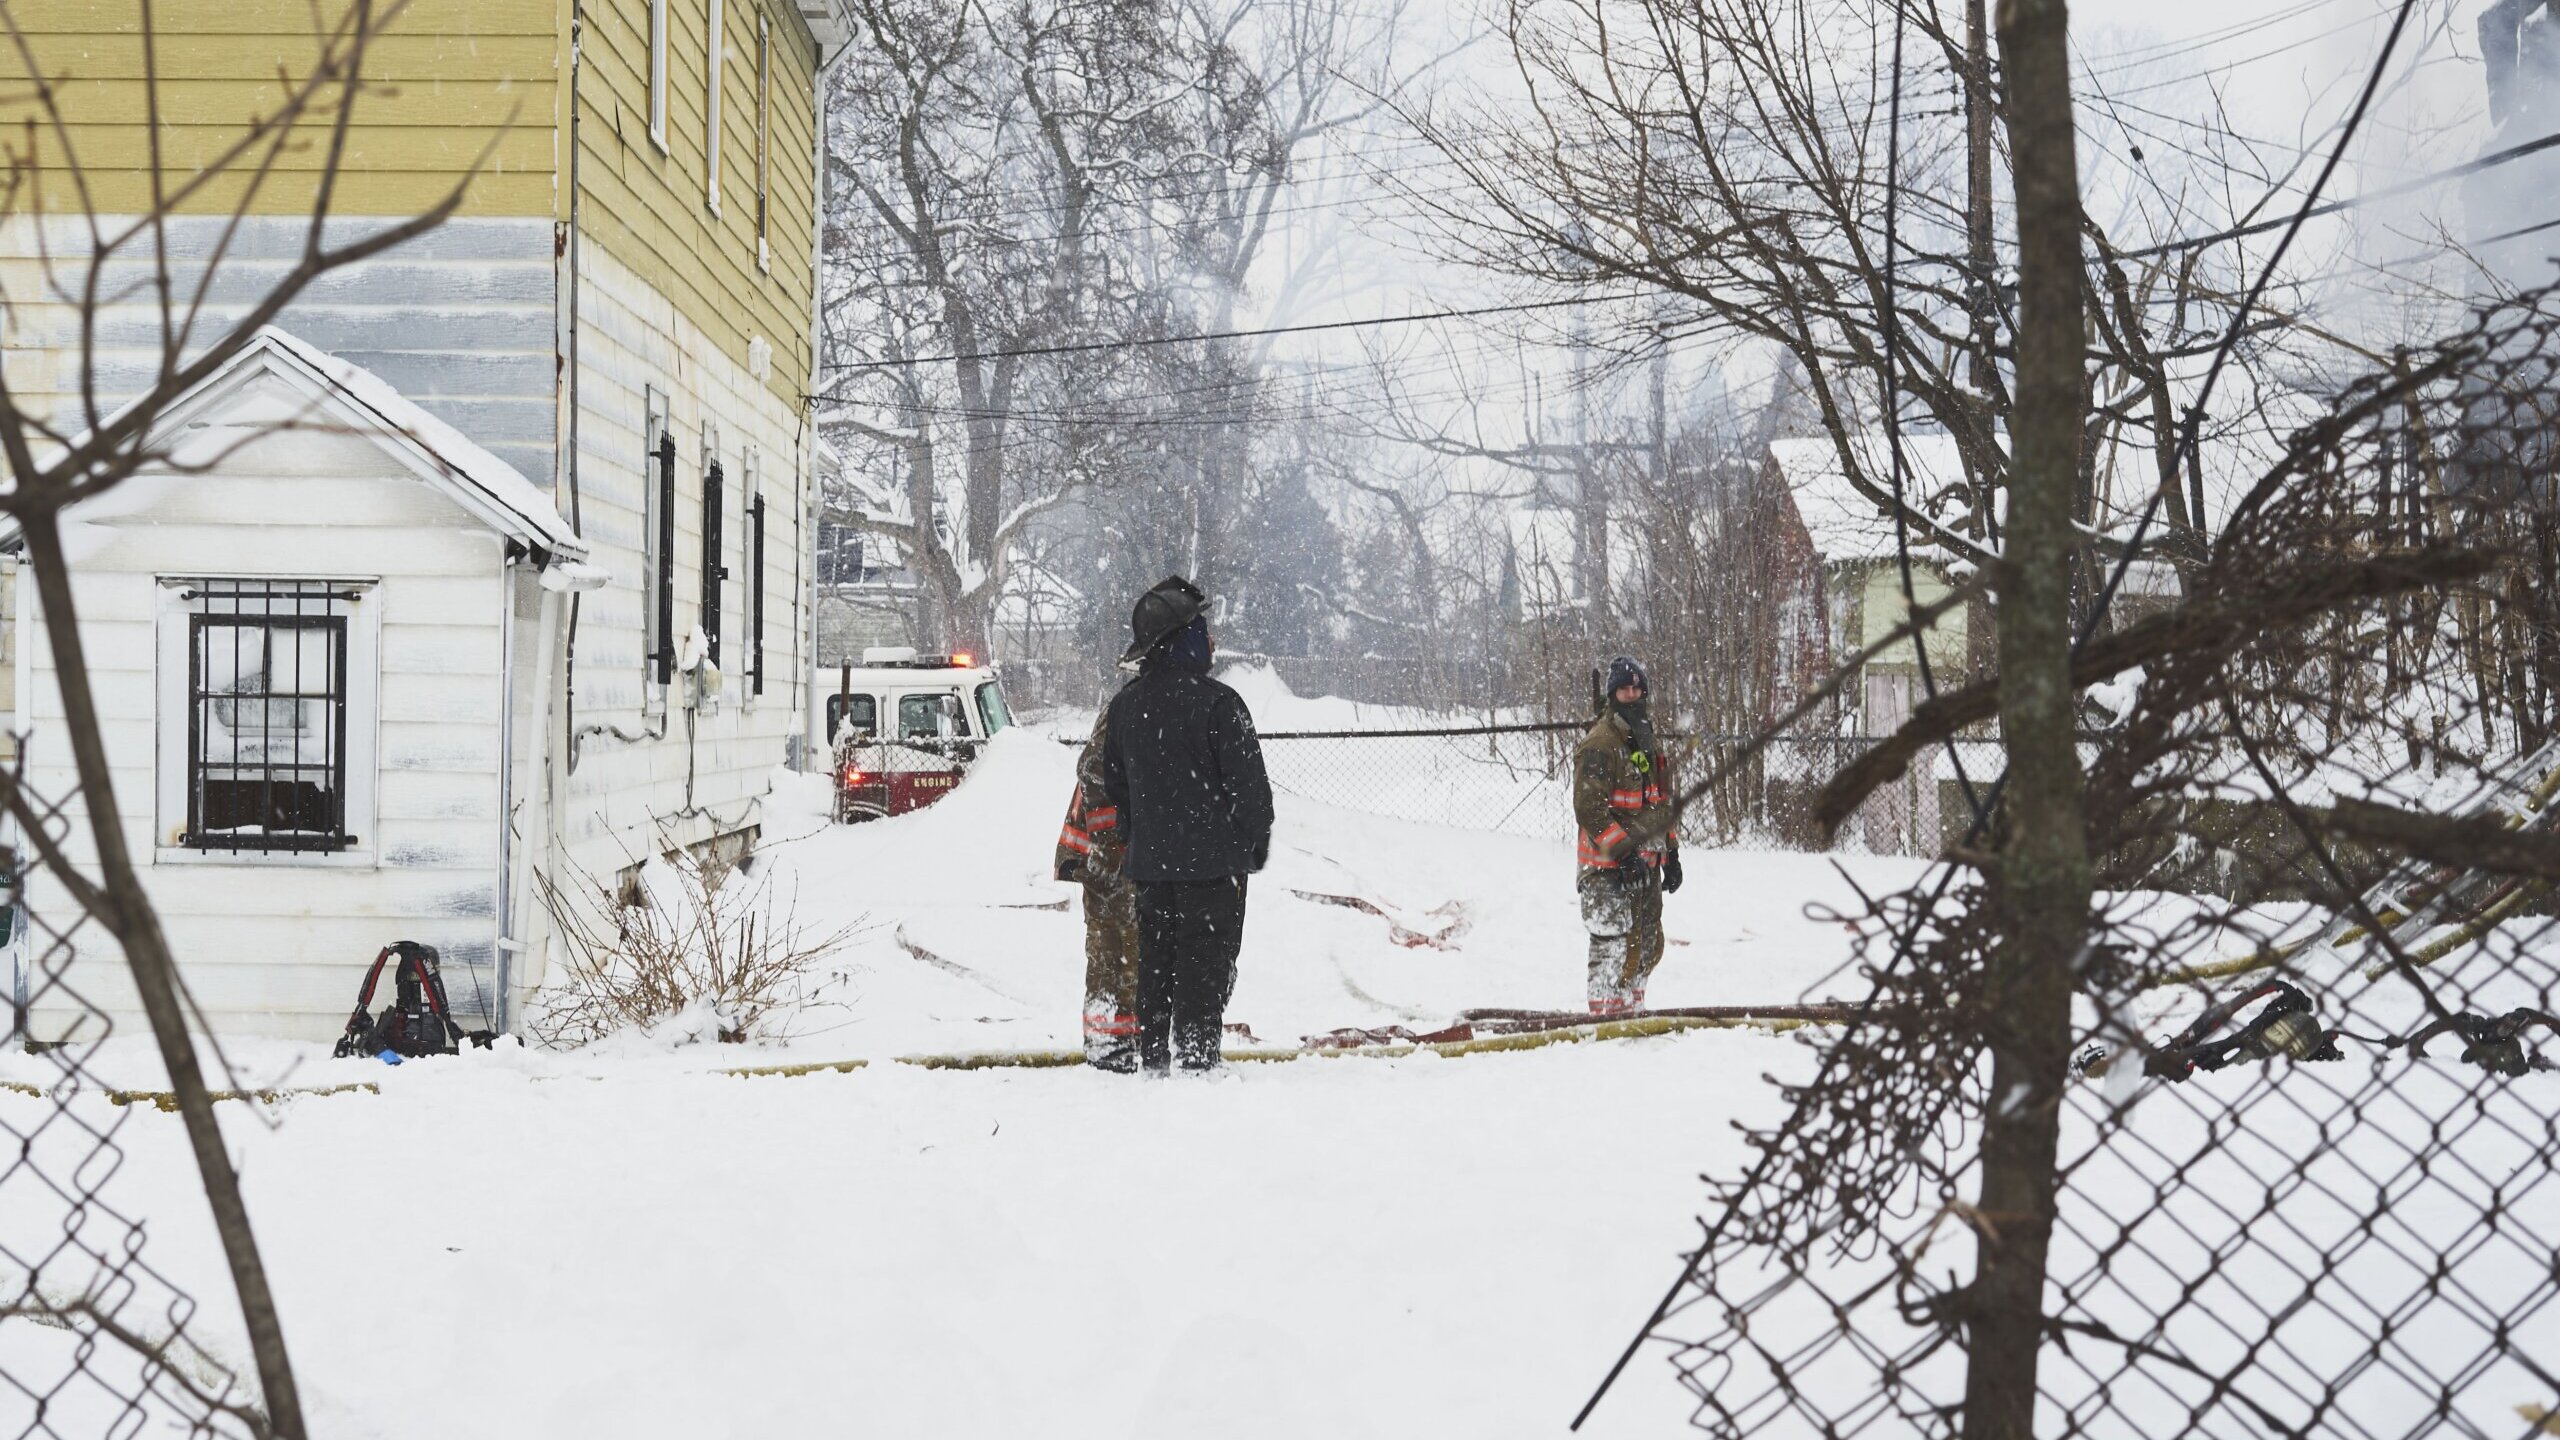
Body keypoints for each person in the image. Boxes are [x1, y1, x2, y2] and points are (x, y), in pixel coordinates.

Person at [1101, 576, 1274, 1074]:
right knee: (1204, 961)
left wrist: (1144, 842)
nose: (1211, 640)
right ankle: (1197, 1064)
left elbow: (1118, 790)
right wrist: (1246, 852)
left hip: (1151, 871)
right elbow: (1254, 796)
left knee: (1156, 961)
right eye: (1202, 628)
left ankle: (1155, 1058)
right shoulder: (1221, 705)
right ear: (1181, 638)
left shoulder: (1126, 707)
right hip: (1211, 871)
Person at [1573, 654, 1683, 1015]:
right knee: (1613, 942)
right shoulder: (1600, 744)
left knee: (1648, 943)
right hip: (1608, 869)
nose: (1632, 695)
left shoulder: (1648, 742)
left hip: (1646, 866)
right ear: (1612, 694)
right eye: (1624, 688)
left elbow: (1660, 801)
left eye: (1638, 688)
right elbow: (1590, 809)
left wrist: (1672, 854)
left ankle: (1633, 1012)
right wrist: (1623, 853)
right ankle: (1605, 1018)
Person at [1055, 707, 1139, 1071]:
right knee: (1120, 951)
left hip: (1110, 855)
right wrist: (1109, 844)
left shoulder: (1135, 705)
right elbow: (1092, 767)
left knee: (1122, 952)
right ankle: (1110, 1043)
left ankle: (1115, 1039)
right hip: (1107, 859)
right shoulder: (1131, 709)